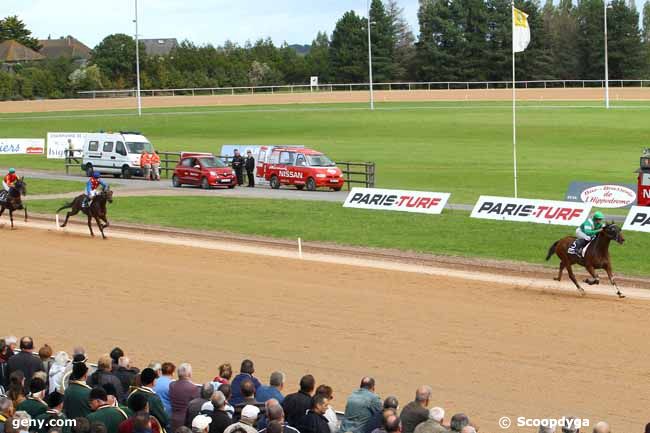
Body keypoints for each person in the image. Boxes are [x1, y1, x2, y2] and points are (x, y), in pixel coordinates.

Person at [169, 363, 199, 432]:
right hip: (185, 421)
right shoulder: (193, 388)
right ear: (188, 374)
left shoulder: (172, 385)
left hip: (173, 419)